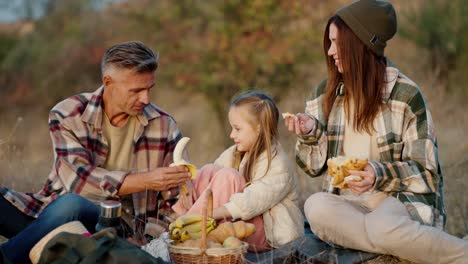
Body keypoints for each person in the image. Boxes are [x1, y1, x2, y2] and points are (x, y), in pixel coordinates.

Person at [284, 0, 468, 263]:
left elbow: (426, 173)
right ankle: (399, 243)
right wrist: (310, 133)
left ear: (360, 44)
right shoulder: (325, 95)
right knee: (315, 206)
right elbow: (313, 167)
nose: (331, 51)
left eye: (337, 43)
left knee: (383, 226)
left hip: (396, 201)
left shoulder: (406, 96)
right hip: (348, 204)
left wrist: (378, 173)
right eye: (330, 42)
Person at [0, 41, 191, 264]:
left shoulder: (165, 126)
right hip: (56, 214)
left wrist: (148, 239)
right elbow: (79, 183)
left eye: (149, 89)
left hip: (119, 228)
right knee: (68, 204)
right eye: (136, 90)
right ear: (108, 82)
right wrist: (147, 181)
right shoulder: (68, 113)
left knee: (73, 204)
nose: (145, 99)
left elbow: (174, 204)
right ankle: (43, 242)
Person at [173, 90, 304, 252]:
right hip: (238, 224)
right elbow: (213, 183)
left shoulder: (278, 163)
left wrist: (210, 214)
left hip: (269, 235)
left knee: (229, 177)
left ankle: (186, 233)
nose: (231, 134)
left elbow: (252, 201)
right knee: (209, 170)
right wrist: (189, 183)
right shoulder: (235, 152)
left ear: (259, 129)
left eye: (237, 129)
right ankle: (180, 222)